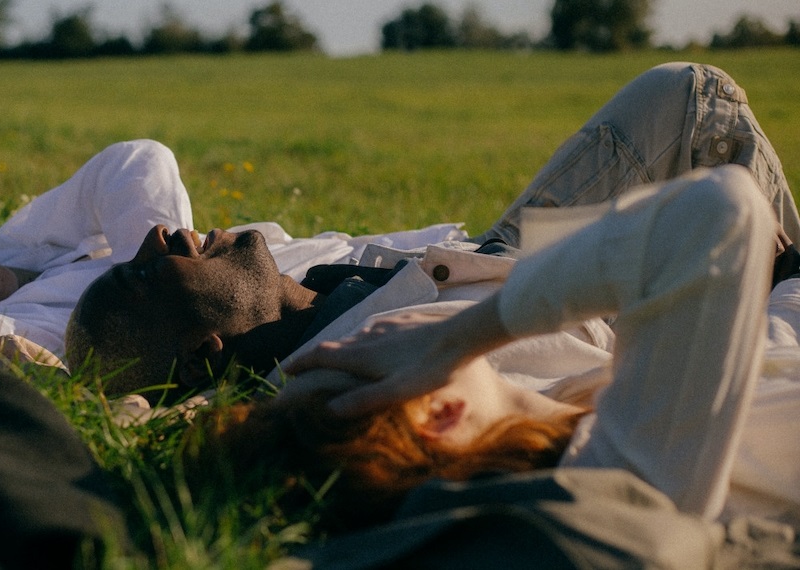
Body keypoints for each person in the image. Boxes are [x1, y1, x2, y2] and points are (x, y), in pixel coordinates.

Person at [64, 62, 800, 525]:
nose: (163, 236)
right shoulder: (330, 391)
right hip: (568, 299)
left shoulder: (307, 276)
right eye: (140, 274)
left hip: (503, 263)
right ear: (201, 359)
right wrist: (451, 338)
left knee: (685, 96)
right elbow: (718, 220)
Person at [0, 140, 463, 357]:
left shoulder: (25, 242)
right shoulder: (25, 327)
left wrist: (160, 265)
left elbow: (134, 161)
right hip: (392, 297)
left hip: (398, 251)